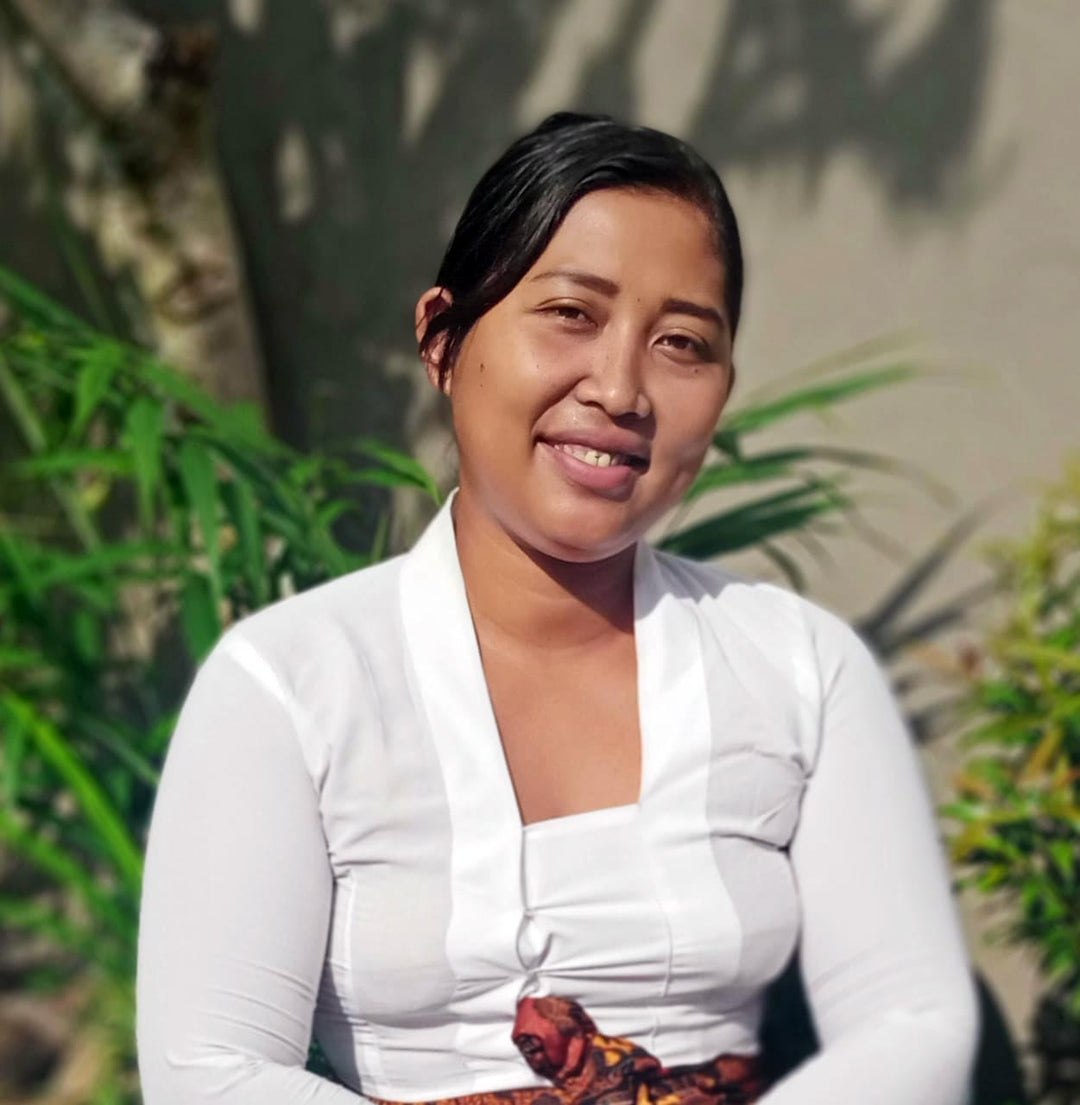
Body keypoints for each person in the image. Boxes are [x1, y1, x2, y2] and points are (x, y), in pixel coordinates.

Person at [135, 112, 980, 1105]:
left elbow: (912, 1021)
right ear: (444, 340)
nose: (621, 388)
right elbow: (210, 1072)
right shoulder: (289, 684)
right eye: (571, 314)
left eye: (682, 342)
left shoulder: (800, 667)